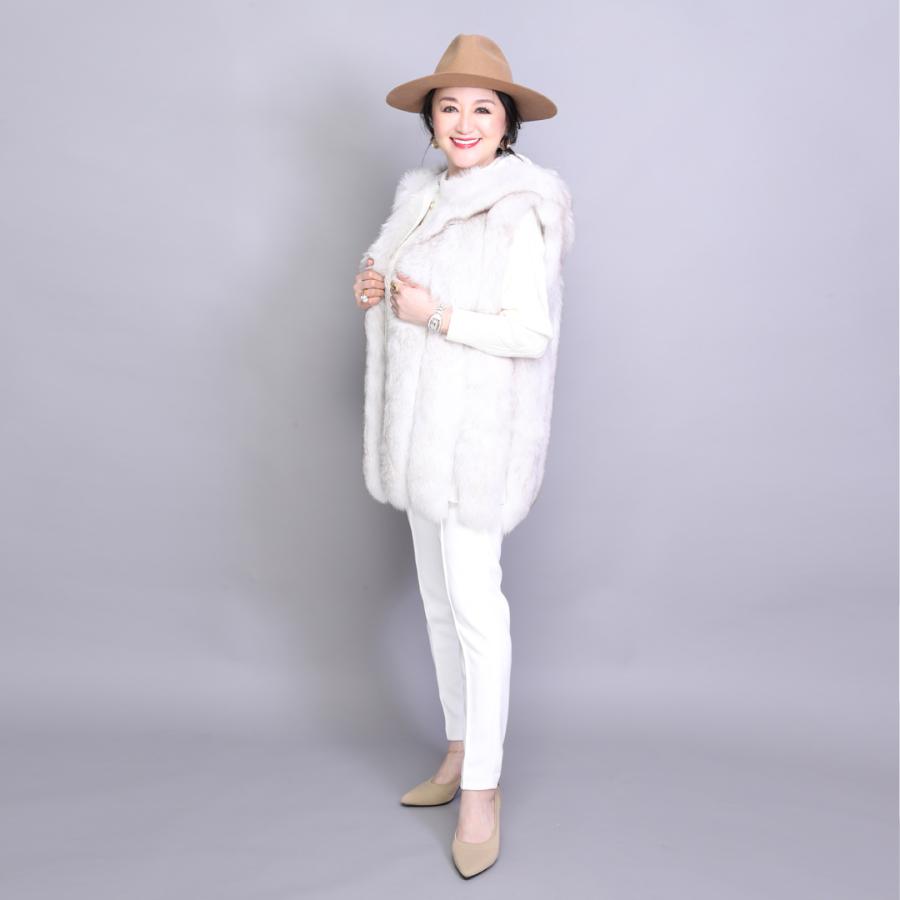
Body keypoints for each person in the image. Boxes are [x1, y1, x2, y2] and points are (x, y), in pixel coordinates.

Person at [351, 33, 575, 878]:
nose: (465, 121)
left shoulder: (520, 207)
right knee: (440, 606)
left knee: (478, 611)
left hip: (475, 441)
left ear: (508, 123)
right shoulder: (421, 197)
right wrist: (375, 292)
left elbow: (529, 333)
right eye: (450, 107)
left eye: (484, 108)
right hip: (417, 433)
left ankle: (482, 787)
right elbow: (402, 293)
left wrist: (436, 316)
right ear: (432, 121)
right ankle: (456, 748)